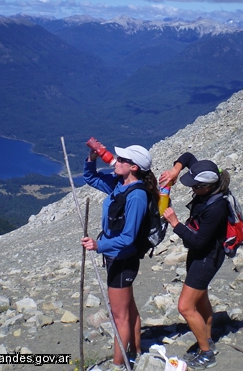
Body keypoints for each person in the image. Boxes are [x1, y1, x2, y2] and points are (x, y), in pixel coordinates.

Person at [81, 144, 159, 370]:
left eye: (121, 159)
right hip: (116, 257)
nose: (115, 160)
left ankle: (118, 364)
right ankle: (135, 352)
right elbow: (91, 178)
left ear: (133, 167)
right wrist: (92, 158)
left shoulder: (137, 196)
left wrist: (99, 245)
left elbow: (128, 237)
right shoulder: (119, 184)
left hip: (123, 259)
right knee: (129, 309)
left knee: (119, 317)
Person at [159, 153, 230, 369]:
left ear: (207, 188)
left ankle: (207, 353)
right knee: (200, 300)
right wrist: (175, 169)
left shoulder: (217, 207)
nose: (192, 190)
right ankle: (206, 339)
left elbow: (199, 242)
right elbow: (188, 157)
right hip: (201, 256)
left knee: (185, 306)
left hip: (207, 257)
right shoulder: (206, 174)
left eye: (195, 187)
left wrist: (175, 223)